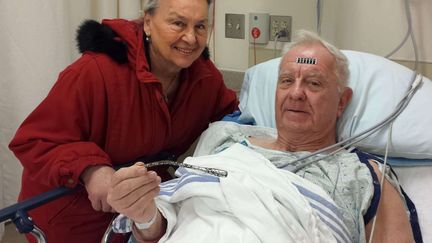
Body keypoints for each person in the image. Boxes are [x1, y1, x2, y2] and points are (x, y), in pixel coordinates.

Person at [107, 30, 418, 243]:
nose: (296, 93)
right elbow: (167, 224)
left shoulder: (365, 174)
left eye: (313, 83)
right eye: (287, 80)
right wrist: (144, 215)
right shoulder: (224, 138)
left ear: (341, 101)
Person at [8, 0, 238, 242]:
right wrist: (91, 169)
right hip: (75, 212)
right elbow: (33, 140)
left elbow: (232, 122)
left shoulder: (205, 79)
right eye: (178, 23)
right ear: (148, 23)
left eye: (200, 26)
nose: (190, 38)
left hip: (145, 208)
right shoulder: (96, 72)